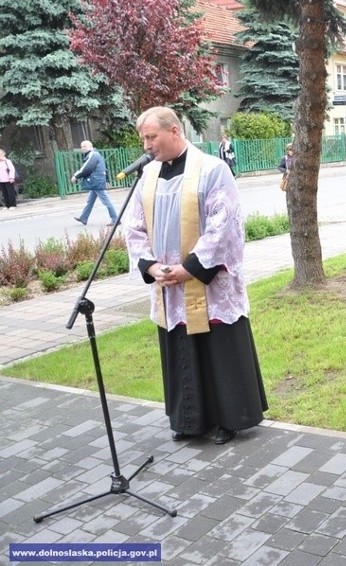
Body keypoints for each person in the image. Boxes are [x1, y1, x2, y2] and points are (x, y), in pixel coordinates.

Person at [126, 106, 268, 445]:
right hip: (168, 285)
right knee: (182, 349)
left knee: (217, 350)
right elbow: (134, 227)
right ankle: (189, 420)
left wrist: (189, 268)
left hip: (207, 283)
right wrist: (150, 265)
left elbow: (225, 224)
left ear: (174, 131)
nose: (146, 145)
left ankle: (228, 419)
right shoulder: (148, 176)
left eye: (151, 137)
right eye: (143, 138)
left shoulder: (212, 169)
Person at [72, 140, 119, 226]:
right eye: (82, 146)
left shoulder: (93, 155)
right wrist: (107, 180)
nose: (83, 148)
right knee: (90, 201)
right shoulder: (95, 154)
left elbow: (87, 168)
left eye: (85, 146)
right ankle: (83, 218)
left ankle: (115, 219)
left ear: (91, 146)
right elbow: (105, 168)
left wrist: (76, 176)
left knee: (106, 201)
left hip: (96, 182)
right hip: (96, 181)